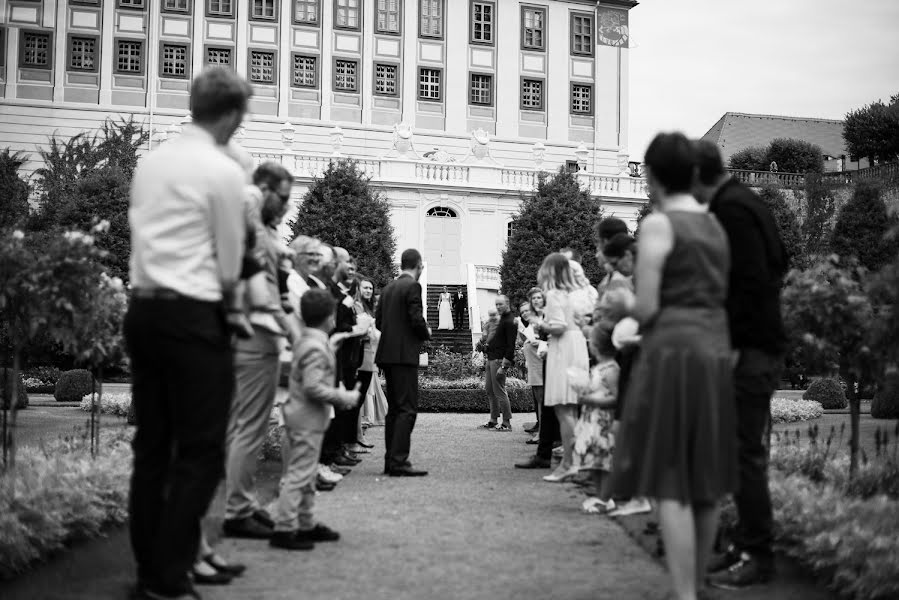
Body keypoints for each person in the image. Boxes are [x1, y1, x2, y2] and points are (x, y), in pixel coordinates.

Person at [125, 66, 251, 600]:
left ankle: (149, 567)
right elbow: (229, 263)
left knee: (152, 447)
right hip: (195, 313)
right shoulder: (222, 171)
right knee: (200, 451)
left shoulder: (151, 161)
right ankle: (168, 575)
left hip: (144, 310)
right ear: (230, 116)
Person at [606, 132, 736, 600]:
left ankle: (684, 593)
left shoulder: (660, 224)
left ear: (654, 175)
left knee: (672, 480)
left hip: (674, 349)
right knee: (704, 479)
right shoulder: (716, 225)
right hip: (714, 347)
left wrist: (622, 304)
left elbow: (649, 306)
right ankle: (694, 584)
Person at [695, 140, 788, 589]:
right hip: (759, 343)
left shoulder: (730, 209)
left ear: (698, 175)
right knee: (740, 455)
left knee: (745, 456)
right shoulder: (746, 203)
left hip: (748, 349)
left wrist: (730, 345)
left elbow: (747, 283)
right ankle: (743, 544)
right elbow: (778, 265)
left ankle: (758, 555)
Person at [223, 162, 298, 541]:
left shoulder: (265, 228)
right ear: (264, 189)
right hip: (254, 333)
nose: (285, 206)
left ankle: (244, 505)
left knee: (250, 426)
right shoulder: (250, 218)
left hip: (266, 333)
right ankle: (236, 510)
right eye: (282, 197)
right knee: (248, 428)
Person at [270, 289, 360, 551]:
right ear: (330, 317)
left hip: (304, 418)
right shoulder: (314, 346)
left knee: (305, 475)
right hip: (306, 420)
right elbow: (313, 387)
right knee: (298, 476)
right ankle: (285, 529)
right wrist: (343, 397)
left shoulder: (311, 340)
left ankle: (306, 524)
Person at [375, 248, 432, 476]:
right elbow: (416, 319)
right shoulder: (412, 286)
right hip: (404, 356)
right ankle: (399, 461)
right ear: (419, 266)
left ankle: (391, 460)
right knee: (407, 409)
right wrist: (425, 332)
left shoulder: (388, 288)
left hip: (387, 355)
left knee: (395, 410)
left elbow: (379, 322)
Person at [535, 254, 590, 483]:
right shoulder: (574, 293)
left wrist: (540, 324)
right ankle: (575, 462)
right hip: (576, 346)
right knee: (572, 410)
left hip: (564, 348)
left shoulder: (555, 294)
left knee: (563, 409)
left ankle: (570, 464)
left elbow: (558, 327)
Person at [572, 322, 619, 514]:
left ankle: (606, 498)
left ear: (595, 345)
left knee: (605, 460)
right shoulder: (600, 367)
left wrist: (590, 398)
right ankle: (600, 496)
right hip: (592, 419)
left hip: (604, 420)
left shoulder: (612, 369)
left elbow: (616, 397)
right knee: (595, 460)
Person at [353, 276, 380, 449]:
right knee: (356, 399)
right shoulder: (356, 306)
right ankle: (355, 438)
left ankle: (358, 436)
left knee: (360, 399)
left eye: (370, 288)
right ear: (359, 289)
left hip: (370, 357)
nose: (368, 291)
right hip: (359, 356)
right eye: (365, 288)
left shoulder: (369, 309)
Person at [483, 295, 517, 431]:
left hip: (499, 360)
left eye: (500, 304)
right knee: (490, 390)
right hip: (491, 358)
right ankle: (493, 420)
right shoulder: (501, 318)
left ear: (507, 303)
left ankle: (506, 423)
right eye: (496, 304)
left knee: (499, 391)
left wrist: (504, 366)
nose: (498, 307)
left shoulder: (510, 321)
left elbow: (511, 346)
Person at [517, 300, 544, 437]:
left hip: (540, 367)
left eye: (527, 310)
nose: (524, 314)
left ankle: (543, 431)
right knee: (537, 399)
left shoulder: (539, 324)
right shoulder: (528, 327)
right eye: (522, 312)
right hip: (533, 368)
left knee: (541, 400)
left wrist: (537, 342)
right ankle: (540, 425)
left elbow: (547, 343)